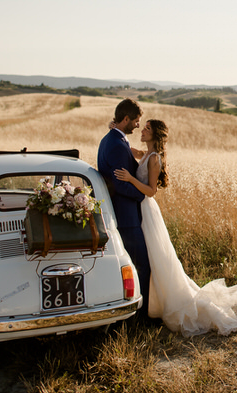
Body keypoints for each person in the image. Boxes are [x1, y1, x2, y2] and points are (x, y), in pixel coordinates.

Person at [114, 118, 237, 337]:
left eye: (147, 128)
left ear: (156, 134)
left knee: (158, 257)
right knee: (154, 257)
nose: (142, 130)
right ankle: (153, 302)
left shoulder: (154, 160)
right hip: (141, 211)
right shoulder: (147, 154)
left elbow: (151, 191)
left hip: (148, 210)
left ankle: (169, 304)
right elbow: (132, 150)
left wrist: (130, 179)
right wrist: (117, 132)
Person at [97, 99, 151, 321]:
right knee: (141, 266)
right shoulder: (118, 145)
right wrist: (142, 195)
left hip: (120, 212)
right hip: (126, 215)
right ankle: (141, 317)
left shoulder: (112, 139)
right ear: (126, 119)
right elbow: (120, 184)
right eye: (136, 121)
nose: (138, 126)